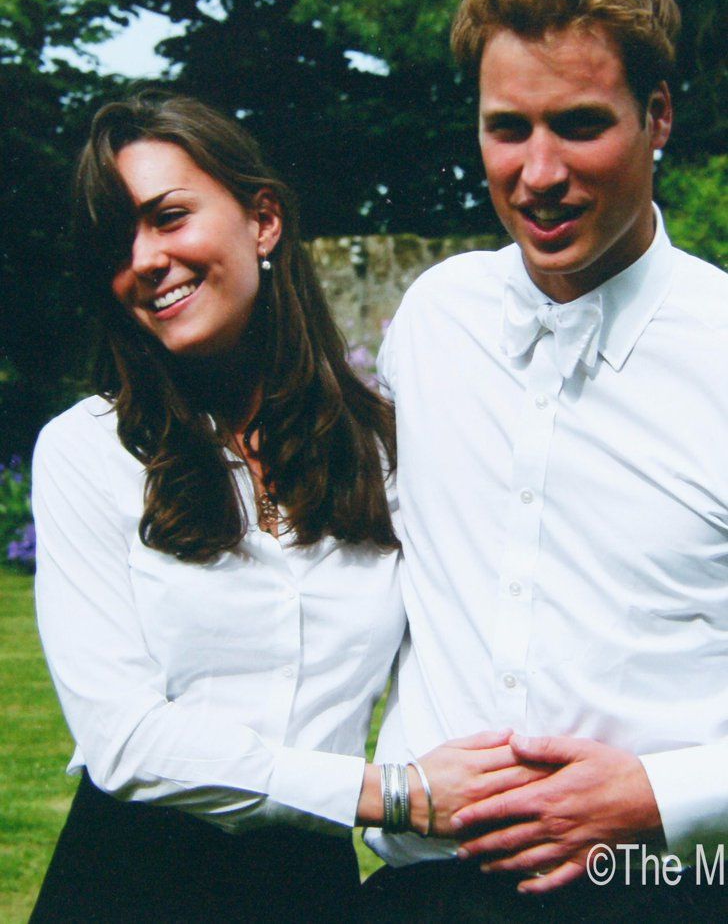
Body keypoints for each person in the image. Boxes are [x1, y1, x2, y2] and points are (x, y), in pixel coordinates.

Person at [30, 91, 538, 923]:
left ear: (263, 220)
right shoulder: (89, 451)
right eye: (116, 241)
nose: (145, 259)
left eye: (167, 217)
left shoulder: (386, 453)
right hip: (127, 884)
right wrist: (388, 793)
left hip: (309, 893)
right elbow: (122, 739)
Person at [359, 0, 728, 921]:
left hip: (662, 882)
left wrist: (659, 793)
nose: (537, 171)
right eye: (507, 127)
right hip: (425, 885)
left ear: (655, 116)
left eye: (576, 122)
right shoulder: (435, 319)